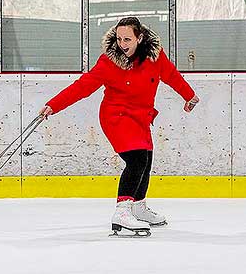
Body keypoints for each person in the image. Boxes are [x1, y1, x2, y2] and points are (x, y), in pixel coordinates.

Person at [39, 17, 199, 236]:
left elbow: (170, 75)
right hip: (116, 117)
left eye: (127, 39)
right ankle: (122, 212)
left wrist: (188, 96)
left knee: (146, 160)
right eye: (119, 38)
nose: (122, 44)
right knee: (136, 160)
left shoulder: (155, 56)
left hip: (141, 117)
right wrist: (53, 105)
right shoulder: (108, 62)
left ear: (140, 38)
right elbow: (82, 87)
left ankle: (138, 207)